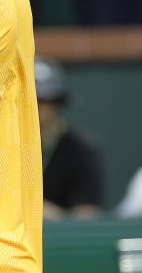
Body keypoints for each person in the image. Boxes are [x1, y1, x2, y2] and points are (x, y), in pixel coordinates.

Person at [36, 57, 104, 220]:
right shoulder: (1, 147)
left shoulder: (80, 150)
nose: (36, 108)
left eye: (43, 101)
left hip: (60, 240)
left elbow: (88, 215)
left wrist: (39, 210)